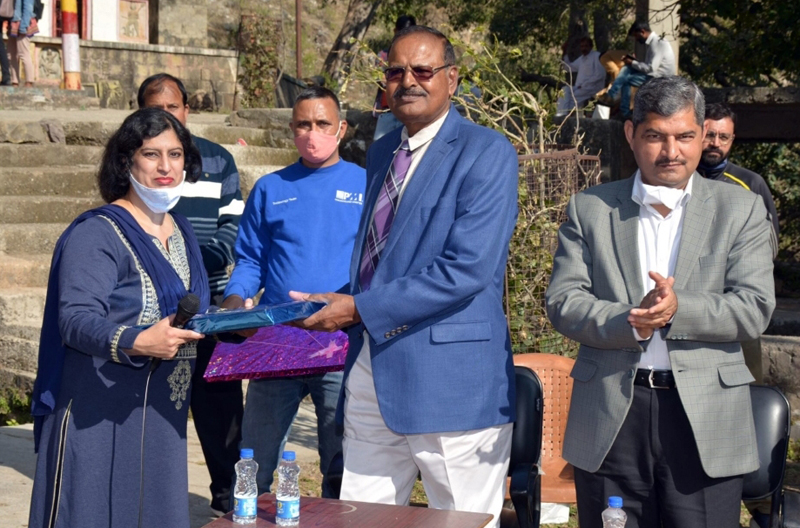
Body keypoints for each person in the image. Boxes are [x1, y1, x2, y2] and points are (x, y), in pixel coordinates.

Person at [290, 25, 519, 527]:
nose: (408, 81)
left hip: (451, 383)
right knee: (364, 516)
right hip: (372, 367)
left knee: (460, 521)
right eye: (396, 71)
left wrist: (358, 308)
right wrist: (344, 297)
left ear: (452, 79)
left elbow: (466, 269)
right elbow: (385, 261)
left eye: (423, 70)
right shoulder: (382, 149)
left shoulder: (486, 152)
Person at [546, 76, 775, 528]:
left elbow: (754, 306)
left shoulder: (740, 209)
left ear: (702, 136)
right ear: (631, 134)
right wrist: (630, 320)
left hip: (706, 414)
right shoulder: (590, 209)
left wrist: (677, 309)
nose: (671, 152)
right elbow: (563, 301)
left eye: (685, 136)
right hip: (613, 410)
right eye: (655, 136)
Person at [28, 108, 210, 528]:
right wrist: (135, 340)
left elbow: (192, 311)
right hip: (99, 414)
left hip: (162, 416)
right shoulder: (97, 233)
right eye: (151, 154)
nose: (166, 167)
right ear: (126, 161)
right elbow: (74, 319)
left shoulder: (181, 230)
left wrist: (239, 325)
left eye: (176, 154)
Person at [222, 86, 365, 498]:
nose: (312, 133)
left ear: (341, 128)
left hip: (340, 339)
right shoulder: (269, 188)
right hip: (276, 338)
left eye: (322, 124)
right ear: (291, 129)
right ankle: (248, 519)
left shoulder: (367, 184)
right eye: (303, 124)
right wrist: (236, 299)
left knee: (340, 461)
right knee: (255, 459)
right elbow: (250, 259)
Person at [137, 72, 245, 515]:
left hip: (209, 317)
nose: (167, 115)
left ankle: (228, 503)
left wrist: (177, 262)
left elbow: (230, 236)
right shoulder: (135, 164)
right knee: (152, 422)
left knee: (222, 421)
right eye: (155, 108)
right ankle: (151, 504)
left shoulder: (218, 162)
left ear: (187, 110)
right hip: (152, 321)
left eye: (174, 107)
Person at [697, 101, 779, 385]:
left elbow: (769, 246)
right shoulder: (678, 179)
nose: (715, 143)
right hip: (688, 300)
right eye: (709, 135)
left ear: (732, 140)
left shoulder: (750, 183)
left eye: (723, 137)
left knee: (747, 384)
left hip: (737, 300)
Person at [598, 21, 676, 119]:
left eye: (636, 36)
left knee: (626, 80)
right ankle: (611, 96)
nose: (637, 39)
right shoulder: (654, 42)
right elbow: (649, 66)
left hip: (660, 78)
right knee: (627, 68)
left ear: (642, 32)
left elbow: (650, 68)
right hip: (654, 74)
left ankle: (624, 112)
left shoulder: (657, 43)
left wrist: (633, 62)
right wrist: (633, 62)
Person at [373, 14, 416, 140]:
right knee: (380, 148)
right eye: (401, 32)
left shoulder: (419, 58)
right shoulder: (383, 56)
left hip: (410, 112)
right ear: (395, 31)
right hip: (387, 111)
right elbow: (380, 80)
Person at [556, 36, 606, 116]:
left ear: (591, 46)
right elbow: (569, 68)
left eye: (586, 46)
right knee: (564, 90)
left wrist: (584, 85)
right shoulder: (582, 59)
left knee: (572, 99)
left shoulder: (596, 56)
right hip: (580, 87)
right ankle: (560, 115)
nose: (584, 48)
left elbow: (600, 75)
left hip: (592, 88)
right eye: (582, 46)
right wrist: (564, 52)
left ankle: (563, 117)